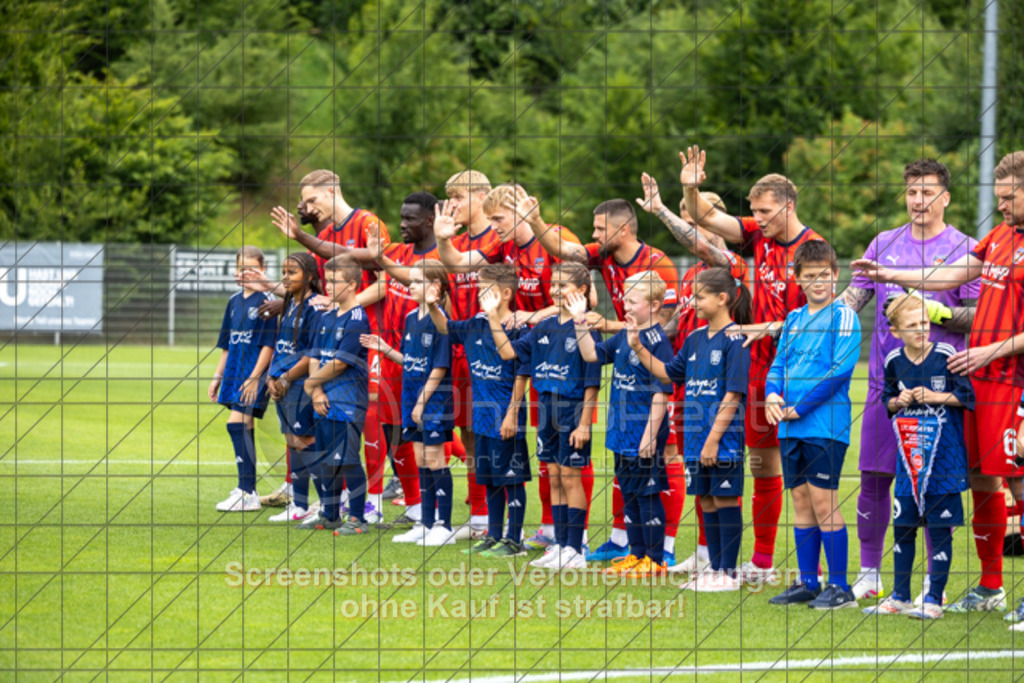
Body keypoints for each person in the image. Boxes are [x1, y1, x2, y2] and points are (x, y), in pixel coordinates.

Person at [853, 150, 1024, 623]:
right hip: (981, 378)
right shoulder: (1000, 236)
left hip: (1002, 378)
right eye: (998, 197)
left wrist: (987, 347)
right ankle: (990, 586)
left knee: (1013, 479)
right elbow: (950, 275)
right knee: (984, 477)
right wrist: (890, 274)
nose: (1000, 205)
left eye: (1009, 198)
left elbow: (972, 307)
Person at [511, 191, 684, 565]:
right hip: (624, 357)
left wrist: (613, 326)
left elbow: (668, 326)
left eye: (599, 229)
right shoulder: (602, 256)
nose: (593, 235)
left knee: (662, 455)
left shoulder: (659, 265)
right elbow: (566, 251)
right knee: (625, 459)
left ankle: (664, 549)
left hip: (660, 367)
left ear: (622, 230)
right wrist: (535, 220)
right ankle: (627, 543)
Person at [680, 146, 826, 581]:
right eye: (754, 211)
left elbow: (820, 317)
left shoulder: (814, 249)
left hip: (796, 374)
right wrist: (690, 189)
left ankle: (788, 565)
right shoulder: (758, 236)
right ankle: (744, 560)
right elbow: (707, 217)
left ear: (789, 205)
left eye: (765, 211)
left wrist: (769, 327)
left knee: (792, 473)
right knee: (751, 463)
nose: (757, 219)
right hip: (757, 368)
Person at [840, 159, 978, 601]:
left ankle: (933, 585)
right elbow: (852, 301)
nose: (919, 201)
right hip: (887, 386)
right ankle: (869, 573)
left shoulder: (965, 248)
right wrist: (812, 319)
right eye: (912, 192)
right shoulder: (883, 243)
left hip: (940, 392)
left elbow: (978, 317)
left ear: (946, 197)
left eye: (928, 193)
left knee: (934, 484)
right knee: (875, 475)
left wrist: (940, 312)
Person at [434, 184, 595, 552]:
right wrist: (443, 240)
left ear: (522, 212)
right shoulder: (502, 245)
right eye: (490, 219)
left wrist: (536, 315)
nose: (493, 226)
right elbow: (457, 263)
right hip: (529, 354)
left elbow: (587, 298)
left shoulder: (555, 238)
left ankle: (577, 538)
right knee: (546, 450)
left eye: (499, 218)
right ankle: (553, 532)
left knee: (571, 448)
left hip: (567, 353)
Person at [636, 174, 750, 573]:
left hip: (722, 401)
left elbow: (701, 245)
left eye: (698, 221)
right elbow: (674, 339)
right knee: (701, 486)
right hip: (692, 398)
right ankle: (707, 558)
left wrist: (661, 209)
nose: (690, 232)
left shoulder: (732, 268)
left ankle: (728, 566)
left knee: (725, 487)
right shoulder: (693, 284)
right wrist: (640, 339)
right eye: (687, 222)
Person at [265, 170, 393, 517]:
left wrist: (346, 306)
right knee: (321, 416)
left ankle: (373, 501)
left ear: (332, 190)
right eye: (303, 201)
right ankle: (329, 499)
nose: (307, 207)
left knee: (369, 415)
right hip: (332, 335)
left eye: (312, 199)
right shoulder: (324, 235)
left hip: (369, 335)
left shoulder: (368, 222)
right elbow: (324, 290)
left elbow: (385, 282)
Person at [629, 268, 751, 590]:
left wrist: (713, 441)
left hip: (722, 441)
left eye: (699, 296)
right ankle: (714, 568)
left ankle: (728, 573)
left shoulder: (736, 340)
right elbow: (668, 373)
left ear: (722, 298)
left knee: (725, 500)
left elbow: (733, 395)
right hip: (696, 438)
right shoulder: (695, 338)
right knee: (707, 501)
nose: (692, 302)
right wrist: (638, 346)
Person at [862, 294, 973, 620]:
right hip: (908, 461)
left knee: (938, 530)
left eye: (925, 323)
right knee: (903, 528)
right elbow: (887, 400)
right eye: (912, 326)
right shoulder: (894, 360)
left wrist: (936, 396)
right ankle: (900, 597)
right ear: (896, 331)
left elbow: (967, 397)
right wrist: (900, 400)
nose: (921, 330)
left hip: (944, 461)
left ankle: (934, 599)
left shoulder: (947, 354)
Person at [764, 241, 861, 610]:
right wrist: (772, 395)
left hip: (824, 426)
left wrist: (799, 408)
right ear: (798, 279)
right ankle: (808, 582)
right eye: (810, 276)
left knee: (824, 501)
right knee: (801, 500)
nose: (818, 282)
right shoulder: (793, 319)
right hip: (790, 427)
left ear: (836, 275)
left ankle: (840, 588)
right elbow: (778, 365)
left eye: (825, 275)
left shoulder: (844, 317)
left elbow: (839, 372)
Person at [489, 261, 602, 570]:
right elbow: (508, 353)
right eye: (553, 284)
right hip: (547, 412)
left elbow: (592, 382)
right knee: (554, 478)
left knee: (570, 478)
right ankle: (561, 545)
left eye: (563, 285)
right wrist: (493, 316)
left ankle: (576, 549)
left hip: (572, 412)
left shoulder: (586, 328)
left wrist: (584, 424)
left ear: (581, 290)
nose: (555, 290)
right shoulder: (543, 327)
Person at [570, 271, 675, 576]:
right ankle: (636, 553)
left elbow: (661, 393)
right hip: (621, 432)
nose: (625, 306)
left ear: (654, 305)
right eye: (625, 300)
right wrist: (579, 321)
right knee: (629, 494)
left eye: (632, 301)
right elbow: (591, 354)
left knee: (648, 494)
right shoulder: (624, 335)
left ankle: (655, 559)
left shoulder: (657, 341)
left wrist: (649, 436)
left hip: (644, 433)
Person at [428, 264, 533, 557]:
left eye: (486, 290)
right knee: (489, 479)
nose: (479, 295)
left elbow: (521, 373)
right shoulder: (476, 322)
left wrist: (512, 414)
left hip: (506, 418)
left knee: (511, 479)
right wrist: (433, 305)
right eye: (479, 289)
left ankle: (514, 540)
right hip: (482, 418)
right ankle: (493, 534)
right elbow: (445, 327)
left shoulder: (520, 328)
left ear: (506, 293)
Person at [363, 259, 457, 546]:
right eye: (410, 281)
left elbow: (440, 367)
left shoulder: (440, 320)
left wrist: (422, 402)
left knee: (435, 460)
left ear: (435, 286)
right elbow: (410, 361)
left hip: (433, 401)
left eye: (417, 281)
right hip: (411, 398)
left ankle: (444, 526)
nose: (410, 286)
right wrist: (385, 349)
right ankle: (425, 523)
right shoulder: (410, 318)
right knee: (420, 461)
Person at [443, 170, 503, 539]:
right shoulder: (456, 241)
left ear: (481, 196)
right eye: (449, 198)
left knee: (492, 432)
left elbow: (461, 266)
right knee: (467, 431)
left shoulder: (498, 237)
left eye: (458, 197)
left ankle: (498, 518)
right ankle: (479, 517)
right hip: (462, 348)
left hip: (493, 349)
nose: (452, 205)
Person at [301, 255, 373, 534]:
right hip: (323, 399)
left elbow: (340, 363)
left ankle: (358, 518)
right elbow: (315, 356)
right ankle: (330, 515)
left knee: (347, 460)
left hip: (347, 401)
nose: (328, 286)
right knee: (326, 460)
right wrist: (316, 390)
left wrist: (311, 384)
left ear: (353, 284)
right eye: (326, 280)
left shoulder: (357, 320)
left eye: (334, 281)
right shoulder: (325, 317)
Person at [209, 246, 276, 512]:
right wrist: (217, 377)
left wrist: (255, 378)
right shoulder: (234, 301)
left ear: (262, 270)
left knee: (236, 424)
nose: (245, 272)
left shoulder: (267, 301)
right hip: (234, 375)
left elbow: (268, 345)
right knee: (243, 426)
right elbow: (227, 344)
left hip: (253, 376)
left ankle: (247, 491)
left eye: (251, 268)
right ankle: (248, 491)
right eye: (241, 268)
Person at [265, 253, 325, 523]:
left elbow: (312, 354)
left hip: (301, 386)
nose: (285, 277)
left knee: (306, 443)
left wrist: (286, 378)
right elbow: (281, 347)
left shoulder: (315, 307)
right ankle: (299, 505)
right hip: (283, 386)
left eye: (292, 272)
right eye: (283, 272)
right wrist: (271, 377)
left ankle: (326, 504)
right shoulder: (290, 305)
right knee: (292, 442)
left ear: (310, 276)